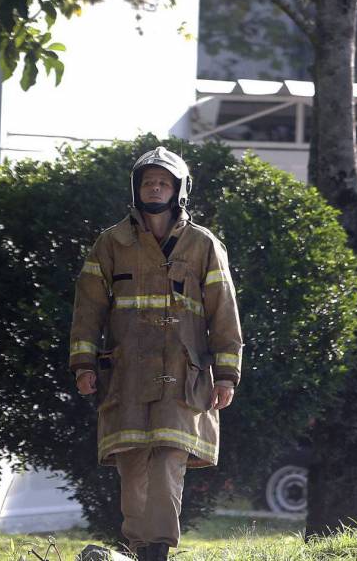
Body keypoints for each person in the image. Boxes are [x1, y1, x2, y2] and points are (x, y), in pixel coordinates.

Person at [69, 146, 242, 561]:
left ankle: (157, 552)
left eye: (163, 181)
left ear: (179, 189)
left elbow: (224, 311)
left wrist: (226, 375)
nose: (155, 187)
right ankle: (138, 548)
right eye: (148, 181)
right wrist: (83, 363)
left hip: (183, 377)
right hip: (125, 376)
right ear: (137, 188)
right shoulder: (112, 244)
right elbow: (88, 307)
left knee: (167, 463)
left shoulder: (203, 245)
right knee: (133, 465)